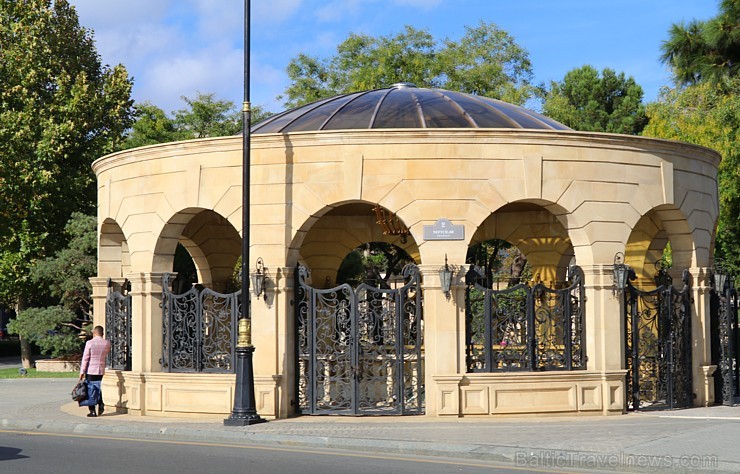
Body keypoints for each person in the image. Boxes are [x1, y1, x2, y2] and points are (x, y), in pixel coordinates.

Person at [79, 325, 111, 417]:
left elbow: (85, 358)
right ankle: (100, 402)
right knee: (97, 387)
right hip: (100, 369)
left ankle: (92, 410)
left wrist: (82, 371)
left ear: (94, 332)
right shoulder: (106, 343)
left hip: (91, 369)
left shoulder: (90, 343)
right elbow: (106, 353)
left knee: (90, 389)